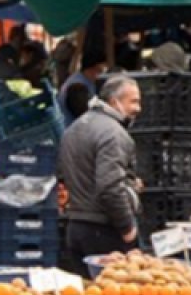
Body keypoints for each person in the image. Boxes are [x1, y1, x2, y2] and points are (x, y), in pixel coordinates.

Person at [58, 75, 143, 275]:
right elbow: (110, 188)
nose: (138, 108)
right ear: (114, 102)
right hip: (104, 230)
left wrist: (130, 184)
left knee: (87, 291)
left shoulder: (75, 128)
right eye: (133, 101)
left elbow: (70, 174)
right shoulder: (114, 134)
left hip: (76, 227)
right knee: (113, 291)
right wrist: (128, 229)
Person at [58, 47, 108, 128]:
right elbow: (85, 116)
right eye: (101, 70)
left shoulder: (86, 80)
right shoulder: (77, 86)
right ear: (93, 68)